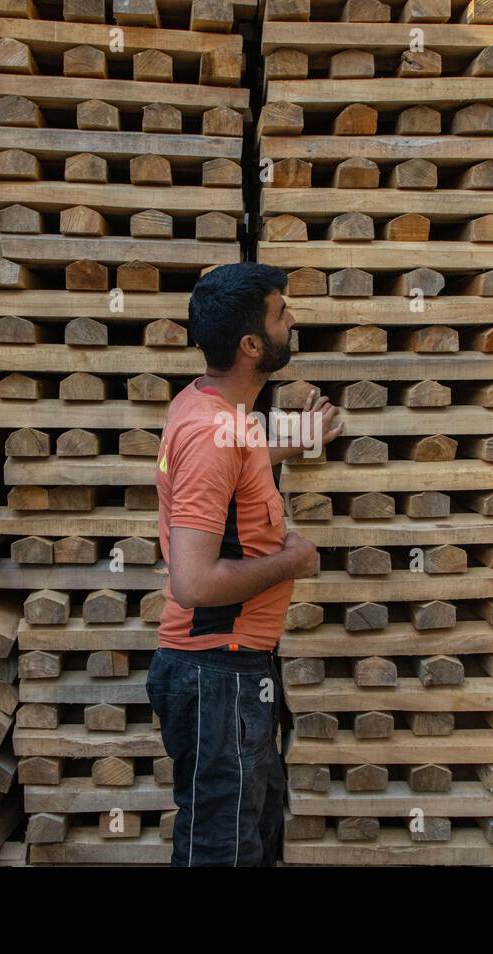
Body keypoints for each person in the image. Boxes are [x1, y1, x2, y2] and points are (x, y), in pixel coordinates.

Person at [146, 261, 343, 866]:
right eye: (282, 311)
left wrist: (301, 438)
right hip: (216, 677)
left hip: (227, 674)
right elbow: (194, 581)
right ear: (253, 344)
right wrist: (294, 560)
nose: (293, 319)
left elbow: (238, 456)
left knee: (244, 840)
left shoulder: (206, 407)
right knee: (222, 851)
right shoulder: (212, 433)